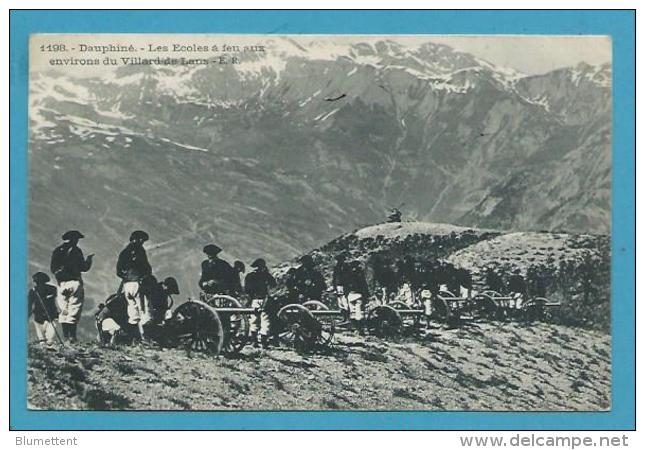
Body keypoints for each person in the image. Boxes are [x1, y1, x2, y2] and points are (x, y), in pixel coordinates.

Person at [50, 230, 93, 342]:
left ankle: (65, 337)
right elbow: (83, 267)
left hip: (61, 284)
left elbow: (53, 269)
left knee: (64, 309)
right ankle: (72, 337)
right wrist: (89, 260)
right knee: (74, 309)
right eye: (77, 239)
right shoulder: (76, 251)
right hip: (74, 282)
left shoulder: (57, 250)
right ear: (74, 239)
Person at [116, 230, 153, 337]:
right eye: (142, 240)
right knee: (145, 311)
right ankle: (146, 338)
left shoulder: (124, 252)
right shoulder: (140, 251)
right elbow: (146, 268)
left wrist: (127, 276)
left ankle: (134, 338)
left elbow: (118, 271)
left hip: (127, 285)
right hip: (138, 284)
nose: (142, 242)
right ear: (138, 239)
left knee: (132, 312)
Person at [244, 258, 277, 348]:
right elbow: (274, 284)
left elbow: (247, 290)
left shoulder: (250, 276)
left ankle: (254, 341)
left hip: (254, 300)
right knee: (265, 320)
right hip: (265, 299)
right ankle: (263, 342)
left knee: (254, 319)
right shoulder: (266, 275)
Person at [28, 272, 59, 344]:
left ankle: (44, 350)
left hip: (38, 317)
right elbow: (57, 301)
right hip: (51, 316)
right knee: (50, 339)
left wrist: (28, 315)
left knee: (42, 339)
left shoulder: (32, 291)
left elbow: (29, 305)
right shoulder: (53, 289)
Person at [343, 260, 370, 333]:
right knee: (359, 312)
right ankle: (360, 329)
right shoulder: (360, 274)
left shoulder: (347, 274)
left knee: (352, 312)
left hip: (350, 295)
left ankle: (355, 328)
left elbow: (345, 285)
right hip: (359, 295)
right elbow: (364, 285)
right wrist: (367, 295)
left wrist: (346, 295)